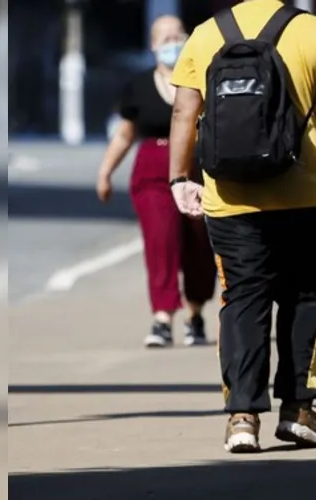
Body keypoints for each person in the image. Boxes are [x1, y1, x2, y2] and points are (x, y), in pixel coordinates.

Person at [167, 0, 316, 453]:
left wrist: (179, 177)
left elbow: (184, 111)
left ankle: (242, 417)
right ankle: (298, 410)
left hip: (230, 195)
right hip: (305, 192)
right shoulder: (315, 30)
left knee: (242, 298)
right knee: (304, 296)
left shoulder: (206, 34)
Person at [95, 15, 216, 349]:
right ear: (152, 46)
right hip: (152, 172)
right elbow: (124, 134)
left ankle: (195, 312)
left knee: (200, 245)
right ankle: (163, 316)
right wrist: (105, 172)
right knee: (161, 240)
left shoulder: (203, 80)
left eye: (178, 37)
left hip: (198, 169)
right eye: (165, 39)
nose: (172, 45)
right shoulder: (138, 86)